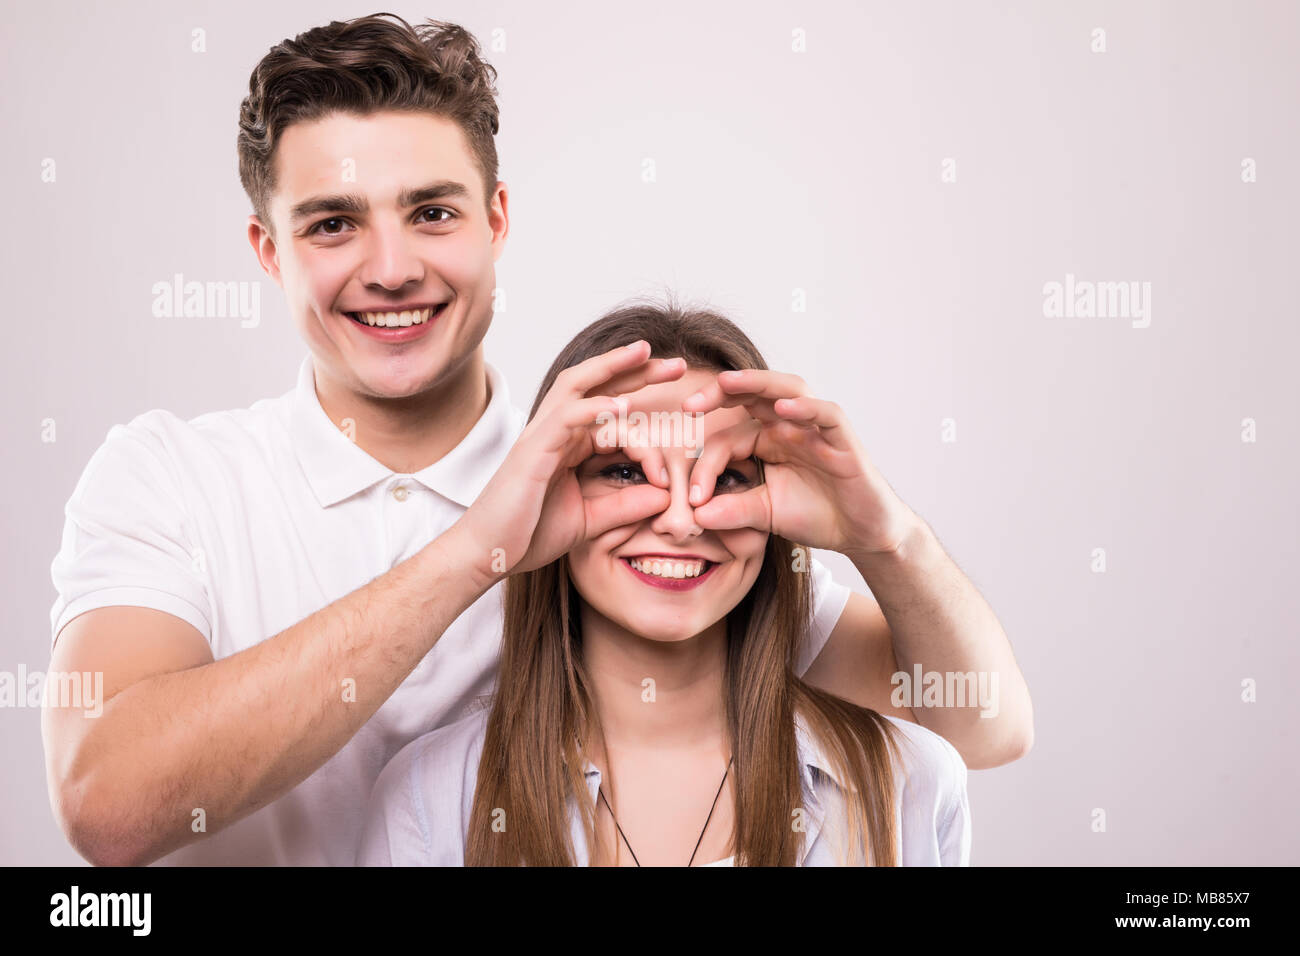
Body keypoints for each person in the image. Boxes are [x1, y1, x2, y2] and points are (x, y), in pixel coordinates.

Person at [43, 14, 1028, 867]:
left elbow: (982, 722)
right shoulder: (169, 476)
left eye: (431, 212)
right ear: (268, 250)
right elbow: (108, 809)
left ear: (496, 219)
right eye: (332, 224)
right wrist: (479, 551)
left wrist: (880, 531)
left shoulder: (624, 486)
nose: (391, 268)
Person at [358, 302, 970, 866]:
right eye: (625, 472)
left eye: (726, 478)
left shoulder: (911, 783)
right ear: (544, 493)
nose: (680, 521)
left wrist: (887, 536)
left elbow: (990, 716)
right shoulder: (431, 800)